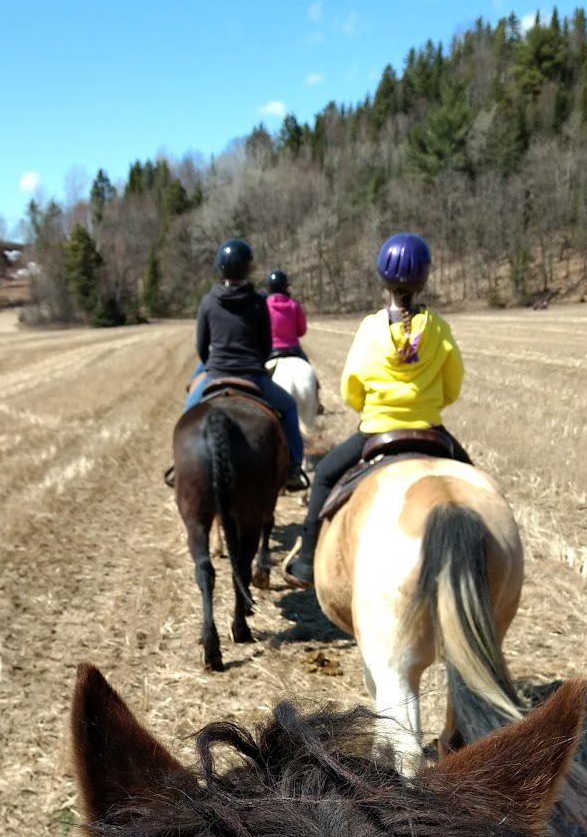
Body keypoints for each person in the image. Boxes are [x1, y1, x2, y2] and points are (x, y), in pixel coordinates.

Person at [284, 232, 471, 588]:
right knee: (477, 486)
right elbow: (453, 386)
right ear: (425, 279)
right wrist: (427, 405)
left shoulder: (370, 329)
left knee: (323, 474)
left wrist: (370, 409)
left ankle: (307, 559)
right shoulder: (439, 328)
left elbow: (350, 388)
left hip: (376, 429)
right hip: (431, 428)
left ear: (382, 278)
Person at [181, 238, 307, 489]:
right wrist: (256, 364)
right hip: (252, 376)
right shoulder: (259, 301)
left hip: (215, 373)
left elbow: (201, 346)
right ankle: (293, 466)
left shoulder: (207, 302)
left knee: (186, 418)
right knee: (290, 408)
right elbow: (265, 344)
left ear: (220, 269)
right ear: (248, 269)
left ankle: (182, 469)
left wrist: (213, 367)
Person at [265, 268, 310, 362]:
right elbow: (302, 330)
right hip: (293, 348)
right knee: (309, 369)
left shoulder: (264, 305)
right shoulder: (294, 304)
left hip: (271, 349)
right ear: (285, 286)